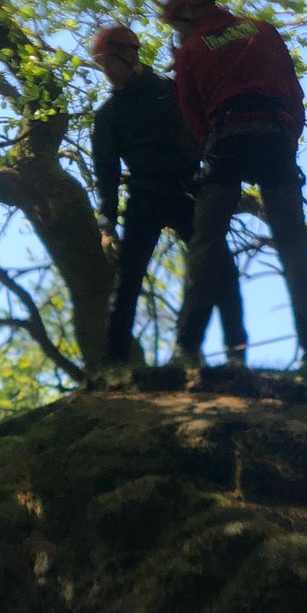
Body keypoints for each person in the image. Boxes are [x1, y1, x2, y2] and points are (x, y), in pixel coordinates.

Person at [161, 0, 307, 368]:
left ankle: (187, 347)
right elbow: (292, 88)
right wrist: (289, 136)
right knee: (292, 244)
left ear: (186, 13)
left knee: (207, 242)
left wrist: (210, 150)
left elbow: (191, 110)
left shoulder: (191, 50)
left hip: (228, 137)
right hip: (274, 137)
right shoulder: (262, 29)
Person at [89, 25, 248, 368]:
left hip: (188, 190)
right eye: (102, 66)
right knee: (128, 279)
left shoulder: (172, 90)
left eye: (110, 63)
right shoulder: (108, 116)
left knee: (221, 266)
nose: (108, 72)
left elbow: (206, 131)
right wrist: (107, 225)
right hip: (145, 195)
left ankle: (236, 350)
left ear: (130, 55)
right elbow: (106, 175)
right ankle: (114, 362)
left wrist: (216, 177)